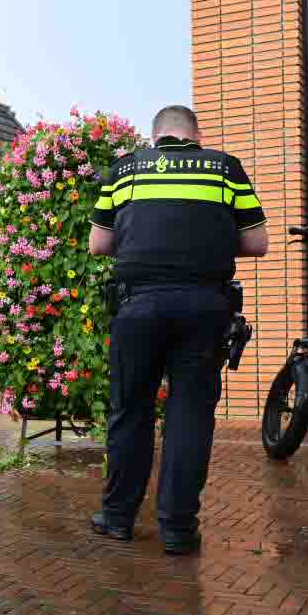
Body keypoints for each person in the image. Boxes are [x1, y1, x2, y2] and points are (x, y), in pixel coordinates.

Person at [87, 105, 268, 554]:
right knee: (190, 415)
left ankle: (118, 519)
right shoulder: (224, 168)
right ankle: (178, 529)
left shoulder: (124, 170)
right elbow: (257, 242)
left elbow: (99, 244)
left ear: (156, 137)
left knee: (130, 412)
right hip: (203, 308)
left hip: (137, 306)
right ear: (196, 135)